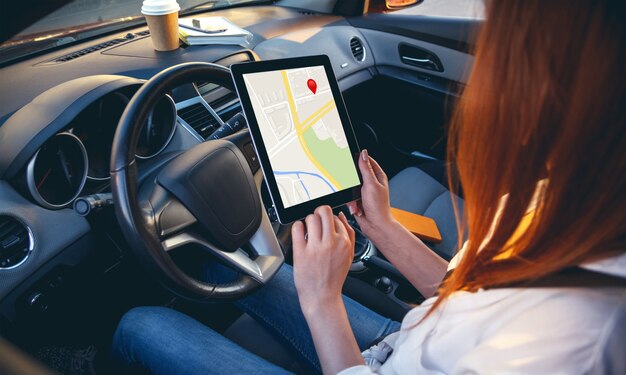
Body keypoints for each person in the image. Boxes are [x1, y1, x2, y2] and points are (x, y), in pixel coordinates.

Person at [112, 0, 626, 373]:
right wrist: (380, 227)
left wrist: (323, 305)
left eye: (503, 49)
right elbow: (461, 290)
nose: (488, 75)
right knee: (226, 265)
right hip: (408, 340)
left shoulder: (573, 344)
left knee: (141, 324)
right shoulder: (560, 202)